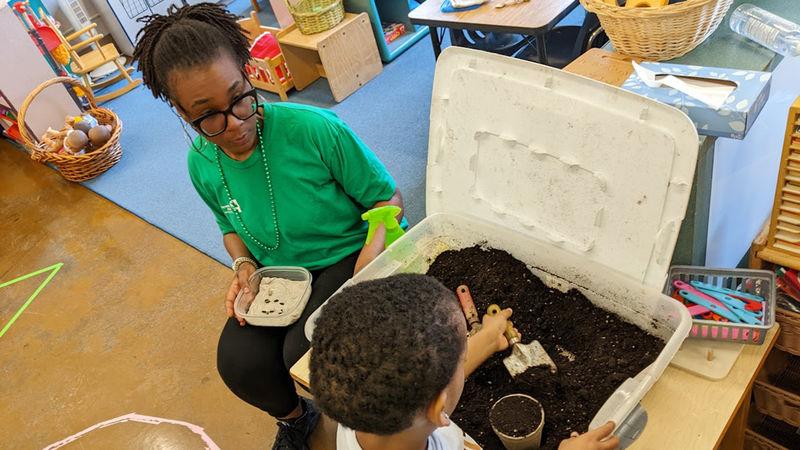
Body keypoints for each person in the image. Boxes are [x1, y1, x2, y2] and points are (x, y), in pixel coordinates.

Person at [132, 4, 403, 448]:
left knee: (305, 352)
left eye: (240, 97)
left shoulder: (313, 129)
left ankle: (368, 420)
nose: (236, 123)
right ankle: (298, 420)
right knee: (239, 362)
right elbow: (228, 224)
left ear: (247, 73)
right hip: (279, 274)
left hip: (349, 257)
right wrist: (242, 264)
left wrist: (372, 254)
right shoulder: (201, 162)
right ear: (182, 113)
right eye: (209, 116)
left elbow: (386, 197)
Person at [310, 274, 620, 450]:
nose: (465, 355)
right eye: (462, 355)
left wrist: (486, 340)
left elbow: (418, 378)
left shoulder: (362, 416)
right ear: (438, 408)